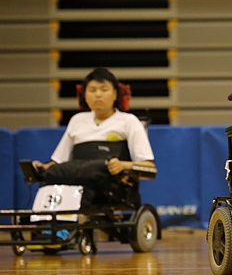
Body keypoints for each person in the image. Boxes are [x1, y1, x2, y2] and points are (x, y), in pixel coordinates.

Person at [33, 67, 155, 209]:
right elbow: (59, 162)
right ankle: (47, 223)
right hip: (76, 178)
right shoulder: (77, 121)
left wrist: (122, 165)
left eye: (104, 90)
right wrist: (43, 168)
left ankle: (69, 222)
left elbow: (149, 168)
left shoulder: (129, 121)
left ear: (115, 94)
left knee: (94, 170)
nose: (98, 95)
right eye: (92, 90)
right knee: (55, 173)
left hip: (110, 184)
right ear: (84, 95)